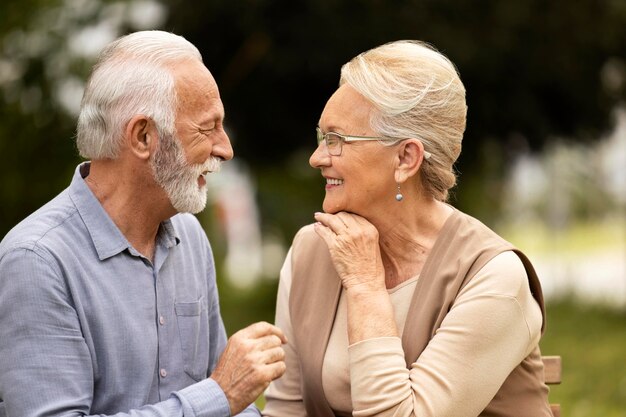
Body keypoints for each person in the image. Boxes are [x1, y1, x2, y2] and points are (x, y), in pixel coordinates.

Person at [0, 30, 287, 417]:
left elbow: (232, 405)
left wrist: (229, 399)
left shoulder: (189, 235)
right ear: (143, 136)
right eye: (207, 127)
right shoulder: (36, 261)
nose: (225, 148)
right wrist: (216, 397)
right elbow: (222, 395)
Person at [262, 40, 553, 417]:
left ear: (405, 158)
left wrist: (366, 284)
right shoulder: (313, 249)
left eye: (337, 141)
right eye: (321, 138)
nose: (317, 158)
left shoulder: (494, 276)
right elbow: (287, 409)